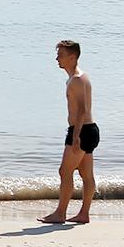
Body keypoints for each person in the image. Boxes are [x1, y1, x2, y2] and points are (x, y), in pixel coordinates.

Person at [40, 40, 98, 224]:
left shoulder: (77, 80)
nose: (57, 58)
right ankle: (84, 214)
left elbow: (82, 109)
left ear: (72, 57)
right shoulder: (80, 77)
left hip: (81, 130)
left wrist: (75, 136)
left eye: (61, 55)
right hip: (89, 129)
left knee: (65, 172)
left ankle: (60, 213)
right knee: (86, 175)